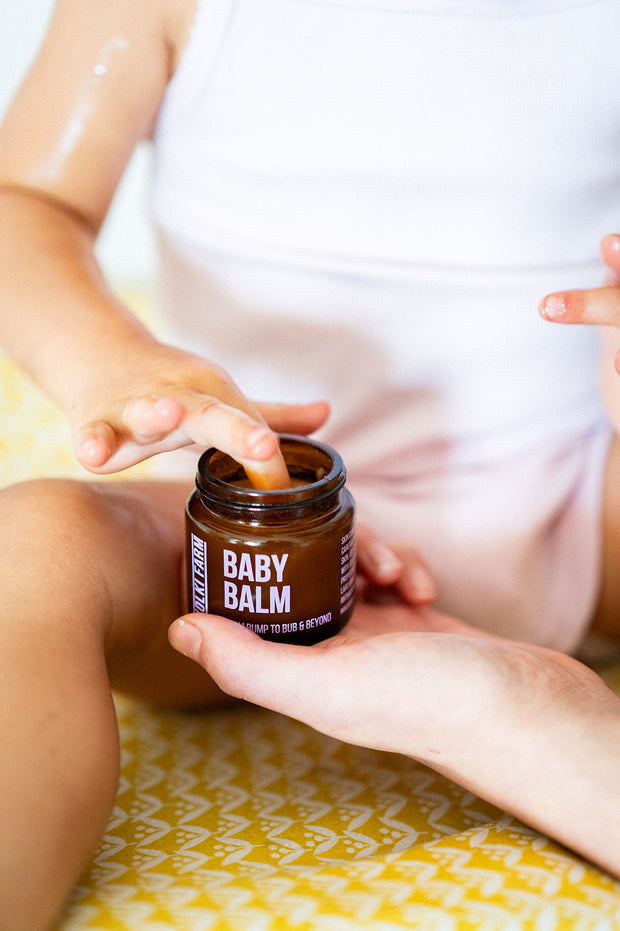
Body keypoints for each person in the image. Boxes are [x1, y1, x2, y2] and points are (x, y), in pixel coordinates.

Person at [1, 0, 620, 927]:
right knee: (35, 545)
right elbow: (28, 203)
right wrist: (109, 357)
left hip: (585, 491)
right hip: (241, 533)